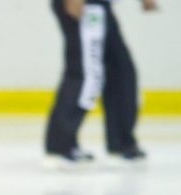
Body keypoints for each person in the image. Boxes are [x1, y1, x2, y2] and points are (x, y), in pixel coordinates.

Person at [44, 0, 158, 166]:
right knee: (85, 73)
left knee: (120, 71)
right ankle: (60, 146)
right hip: (87, 6)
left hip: (99, 6)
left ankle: (121, 143)